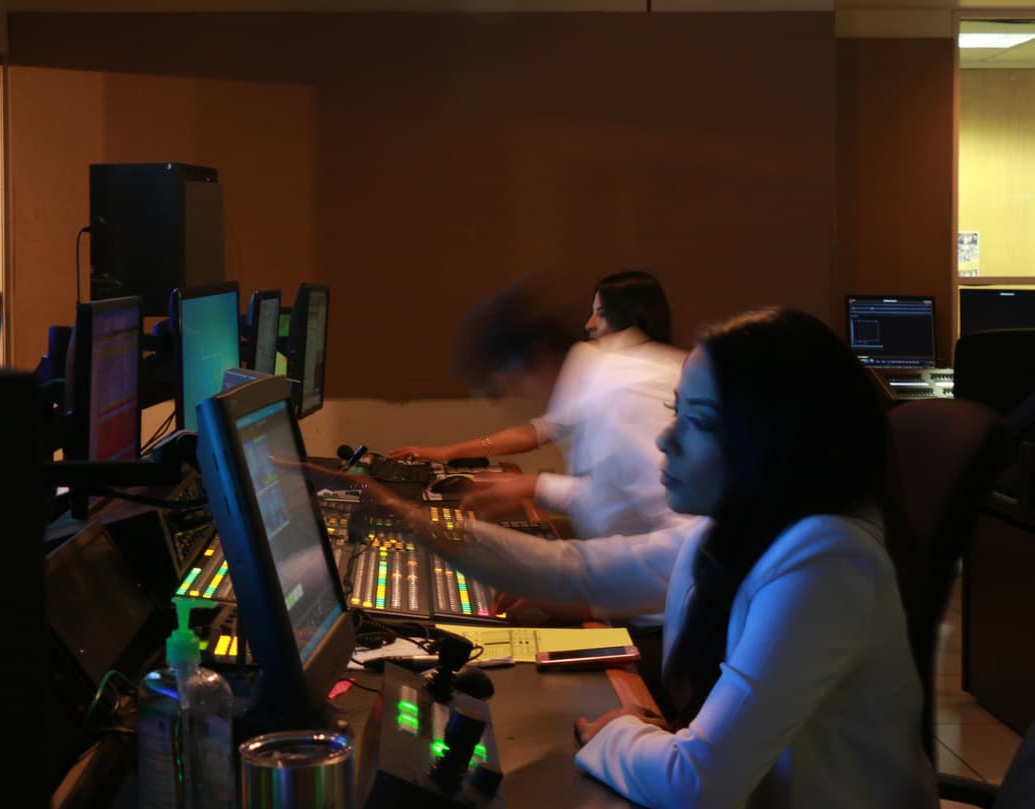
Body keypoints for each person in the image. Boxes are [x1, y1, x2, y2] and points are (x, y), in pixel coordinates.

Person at [368, 307, 935, 808]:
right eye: (675, 410)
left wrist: (619, 733)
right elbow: (570, 570)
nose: (667, 440)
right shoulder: (732, 531)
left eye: (701, 421)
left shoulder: (825, 560)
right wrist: (411, 521)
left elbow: (695, 786)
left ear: (774, 442)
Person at [392, 272, 689, 542]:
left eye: (510, 384)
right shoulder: (592, 377)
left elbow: (686, 536)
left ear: (538, 358)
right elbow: (614, 494)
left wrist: (575, 586)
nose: (514, 396)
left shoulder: (619, 395)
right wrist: (537, 487)